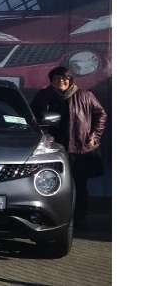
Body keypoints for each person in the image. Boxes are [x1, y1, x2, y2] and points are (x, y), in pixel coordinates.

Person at [31, 66, 107, 233]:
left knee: (80, 186)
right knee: (52, 186)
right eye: (57, 78)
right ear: (51, 80)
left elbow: (101, 114)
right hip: (52, 151)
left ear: (70, 80)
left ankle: (79, 219)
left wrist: (94, 135)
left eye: (64, 78)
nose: (61, 81)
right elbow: (33, 117)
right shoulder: (44, 96)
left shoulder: (85, 95)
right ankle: (53, 219)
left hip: (80, 150)